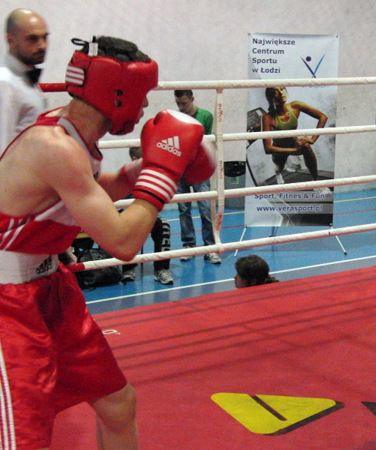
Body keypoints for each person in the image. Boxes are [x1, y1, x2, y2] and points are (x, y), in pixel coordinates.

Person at [0, 36, 212, 448]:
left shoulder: (72, 132)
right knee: (25, 438)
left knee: (118, 404)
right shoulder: (54, 147)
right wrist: (163, 174)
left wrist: (142, 169)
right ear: (119, 93)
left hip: (49, 287)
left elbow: (90, 193)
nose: (145, 106)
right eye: (142, 94)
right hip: (7, 301)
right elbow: (123, 243)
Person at [173, 89, 221, 264]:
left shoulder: (205, 116)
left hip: (199, 170)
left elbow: (206, 143)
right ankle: (189, 246)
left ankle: (209, 247)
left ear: (192, 99)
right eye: (178, 103)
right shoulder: (175, 118)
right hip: (181, 169)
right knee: (183, 210)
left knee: (205, 209)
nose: (181, 107)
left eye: (184, 103)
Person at [121, 147, 174, 285]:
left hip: (146, 214)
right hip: (127, 215)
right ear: (134, 159)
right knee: (128, 226)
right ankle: (128, 268)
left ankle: (161, 269)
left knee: (163, 225)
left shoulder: (151, 176)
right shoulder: (125, 176)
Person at [0, 8, 48, 155]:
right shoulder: (5, 84)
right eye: (33, 39)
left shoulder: (24, 79)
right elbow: (2, 148)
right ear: (10, 40)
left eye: (45, 37)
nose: (42, 45)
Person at [261, 86, 328, 189]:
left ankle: (316, 182)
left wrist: (313, 139)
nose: (281, 93)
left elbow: (323, 117)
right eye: (276, 92)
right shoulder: (267, 117)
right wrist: (294, 151)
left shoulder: (295, 106)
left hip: (293, 142)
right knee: (279, 168)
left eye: (282, 89)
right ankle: (278, 173)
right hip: (279, 148)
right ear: (271, 97)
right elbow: (268, 148)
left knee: (306, 146)